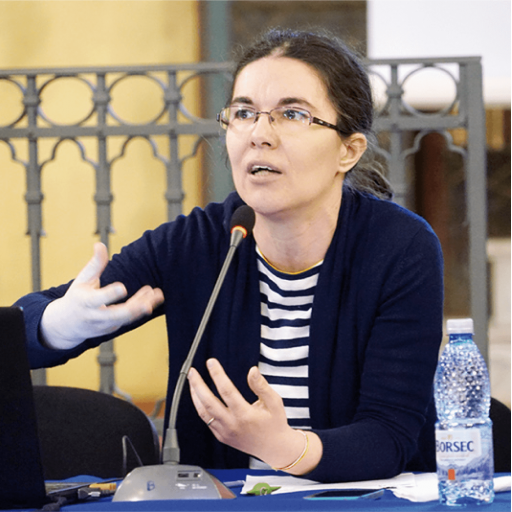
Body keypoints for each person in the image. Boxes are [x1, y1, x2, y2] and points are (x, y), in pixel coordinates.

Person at [15, 28, 443, 483]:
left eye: (292, 114)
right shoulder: (197, 243)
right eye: (243, 113)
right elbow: (20, 333)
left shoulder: (400, 248)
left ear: (348, 150)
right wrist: (56, 326)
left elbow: (389, 436)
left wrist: (285, 449)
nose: (259, 134)